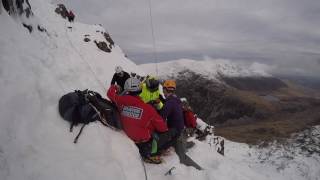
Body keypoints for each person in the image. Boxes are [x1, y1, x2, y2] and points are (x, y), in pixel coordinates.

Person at [107, 77, 176, 164]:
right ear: (139, 90)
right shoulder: (148, 109)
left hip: (129, 134)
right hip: (144, 142)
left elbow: (110, 93)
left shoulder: (120, 100)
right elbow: (163, 128)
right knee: (172, 131)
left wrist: (115, 87)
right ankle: (151, 153)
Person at [161, 79, 202, 170]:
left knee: (182, 157)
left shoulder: (169, 103)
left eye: (163, 89)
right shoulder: (176, 99)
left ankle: (200, 170)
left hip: (176, 132)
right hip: (180, 130)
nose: (163, 91)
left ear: (166, 90)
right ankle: (185, 144)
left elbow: (161, 118)